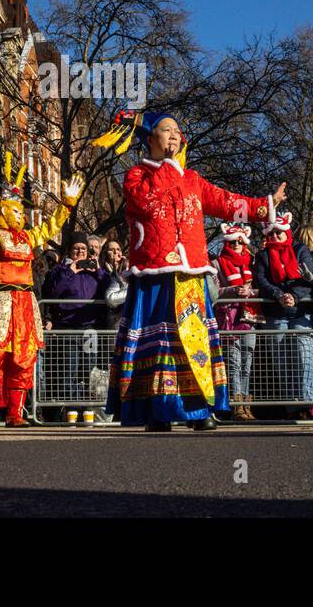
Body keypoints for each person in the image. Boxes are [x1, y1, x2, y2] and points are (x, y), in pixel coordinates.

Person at [93, 109, 286, 431]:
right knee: (159, 344)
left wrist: (264, 205)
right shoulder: (137, 176)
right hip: (153, 273)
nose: (174, 135)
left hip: (191, 273)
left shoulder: (192, 179)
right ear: (149, 138)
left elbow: (227, 203)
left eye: (177, 131)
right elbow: (149, 201)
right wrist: (169, 164)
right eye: (166, 130)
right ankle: (157, 411)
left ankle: (198, 409)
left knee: (194, 340)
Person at [0, 152, 83, 427]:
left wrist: (66, 205)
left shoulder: (28, 237)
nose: (20, 213)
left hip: (25, 303)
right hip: (0, 301)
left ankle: (16, 413)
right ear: (2, 210)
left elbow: (51, 226)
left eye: (21, 210)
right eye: (15, 209)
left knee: (24, 358)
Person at [255, 212, 313, 420]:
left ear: (286, 232)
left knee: (305, 354)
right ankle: (293, 406)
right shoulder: (263, 255)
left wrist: (294, 295)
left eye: (279, 232)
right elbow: (261, 280)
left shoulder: (300, 250)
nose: (275, 236)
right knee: (281, 360)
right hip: (276, 313)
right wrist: (278, 295)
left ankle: (309, 402)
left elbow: (308, 276)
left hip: (301, 311)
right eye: (272, 233)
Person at [41, 231, 106, 411]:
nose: (80, 252)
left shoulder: (93, 271)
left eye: (84, 249)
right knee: (69, 369)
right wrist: (71, 271)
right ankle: (71, 408)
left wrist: (99, 270)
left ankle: (87, 409)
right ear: (69, 251)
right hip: (68, 328)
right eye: (76, 249)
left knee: (89, 370)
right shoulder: (60, 270)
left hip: (89, 328)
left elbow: (107, 289)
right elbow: (53, 293)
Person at [214, 223, 261, 421]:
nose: (236, 244)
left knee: (247, 362)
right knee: (233, 363)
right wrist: (234, 290)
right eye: (232, 241)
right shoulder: (217, 263)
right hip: (229, 319)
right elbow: (214, 292)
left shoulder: (251, 263)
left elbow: (261, 289)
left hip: (249, 317)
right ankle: (236, 406)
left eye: (240, 241)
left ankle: (246, 405)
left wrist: (249, 292)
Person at [99, 239, 130, 330]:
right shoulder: (101, 269)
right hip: (110, 317)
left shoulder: (127, 269)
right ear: (105, 252)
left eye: (118, 249)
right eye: (112, 250)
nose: (116, 252)